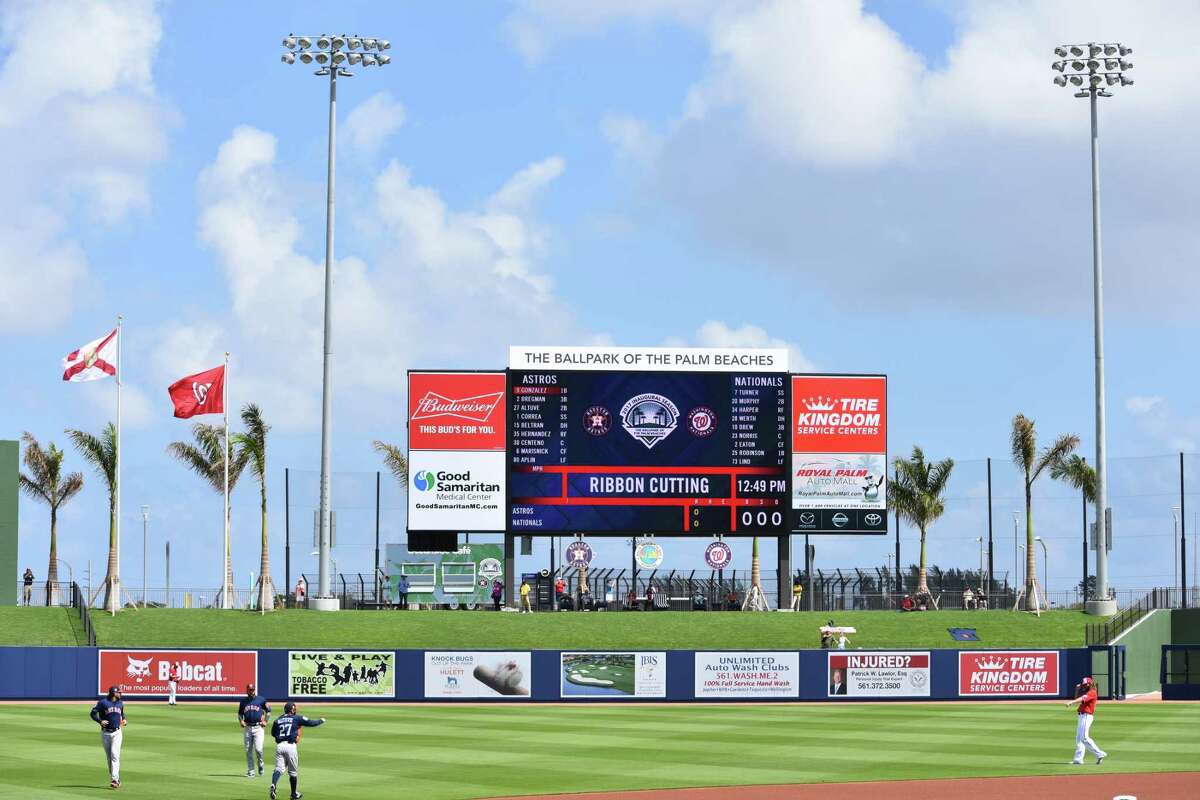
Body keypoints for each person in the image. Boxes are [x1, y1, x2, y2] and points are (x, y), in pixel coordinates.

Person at [269, 701, 325, 800]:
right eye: (294, 709)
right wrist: (321, 720)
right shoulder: (297, 718)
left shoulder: (277, 720)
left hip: (280, 746)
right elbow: (311, 723)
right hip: (291, 747)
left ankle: (273, 784)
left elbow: (273, 733)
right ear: (292, 709)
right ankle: (293, 794)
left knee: (278, 769)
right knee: (293, 772)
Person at [1064, 676, 1107, 765]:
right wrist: (1077, 690)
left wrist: (1071, 702)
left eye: (1085, 684)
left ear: (1089, 684)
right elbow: (1078, 698)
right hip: (1082, 716)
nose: (1083, 686)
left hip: (1086, 716)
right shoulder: (1088, 692)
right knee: (1079, 739)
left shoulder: (1092, 692)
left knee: (1084, 737)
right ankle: (1078, 759)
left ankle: (1099, 753)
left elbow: (1082, 699)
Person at [90, 686, 126, 789]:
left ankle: (114, 779)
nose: (120, 694)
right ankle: (115, 778)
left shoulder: (120, 703)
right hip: (105, 733)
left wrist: (124, 719)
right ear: (113, 693)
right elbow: (92, 713)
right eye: (118, 692)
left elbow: (122, 714)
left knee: (115, 755)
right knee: (109, 757)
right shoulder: (103, 703)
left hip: (117, 733)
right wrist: (100, 721)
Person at [238, 683, 271, 778]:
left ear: (254, 690)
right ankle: (251, 771)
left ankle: (260, 764)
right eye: (249, 690)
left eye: (252, 690)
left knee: (258, 749)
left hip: (258, 728)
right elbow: (240, 714)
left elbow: (268, 711)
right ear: (247, 690)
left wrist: (266, 721)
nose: (251, 691)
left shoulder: (261, 700)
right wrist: (241, 721)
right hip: (247, 728)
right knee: (248, 750)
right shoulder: (243, 702)